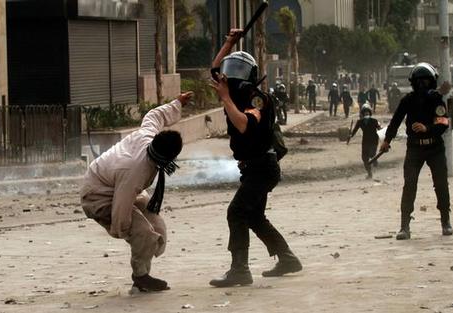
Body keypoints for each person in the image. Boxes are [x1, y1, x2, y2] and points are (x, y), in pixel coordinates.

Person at [208, 29, 302, 288]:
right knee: (254, 216)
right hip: (252, 168)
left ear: (249, 74)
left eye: (238, 68)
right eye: (231, 67)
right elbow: (215, 70)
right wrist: (229, 42)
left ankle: (240, 269)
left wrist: (225, 98)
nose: (230, 74)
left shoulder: (256, 98)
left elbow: (244, 125)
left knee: (237, 212)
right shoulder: (234, 92)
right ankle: (287, 258)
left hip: (263, 167)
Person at [80, 91, 193, 292]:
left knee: (158, 229)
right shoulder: (135, 170)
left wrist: (177, 102)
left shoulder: (148, 136)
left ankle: (143, 274)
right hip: (98, 195)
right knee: (145, 234)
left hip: (117, 188)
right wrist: (123, 230)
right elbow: (122, 205)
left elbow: (154, 116)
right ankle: (141, 276)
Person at [379, 62, 453, 240]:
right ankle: (404, 226)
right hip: (414, 148)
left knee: (441, 184)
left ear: (431, 82)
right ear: (414, 83)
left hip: (435, 147)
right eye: (419, 82)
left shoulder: (437, 100)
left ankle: (445, 221)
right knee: (409, 185)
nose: (422, 85)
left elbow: (443, 124)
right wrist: (387, 140)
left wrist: (427, 128)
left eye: (425, 81)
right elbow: (395, 122)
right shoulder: (407, 100)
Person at [349, 103, 382, 179]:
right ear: (363, 114)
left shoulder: (375, 121)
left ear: (369, 113)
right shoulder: (360, 122)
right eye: (365, 112)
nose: (366, 113)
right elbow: (354, 130)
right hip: (366, 141)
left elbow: (380, 129)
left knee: (371, 154)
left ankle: (374, 160)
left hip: (373, 141)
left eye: (367, 112)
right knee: (364, 158)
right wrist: (351, 135)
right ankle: (369, 173)